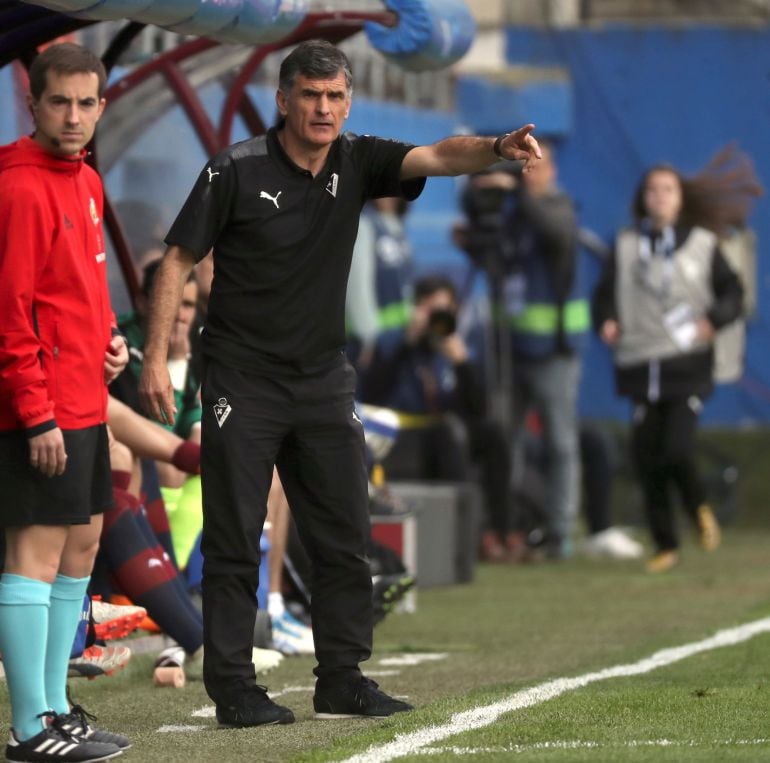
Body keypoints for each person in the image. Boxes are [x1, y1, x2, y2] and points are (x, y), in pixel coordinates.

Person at [138, 39, 541, 727]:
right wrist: (153, 357)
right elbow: (178, 260)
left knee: (344, 530)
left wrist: (499, 147)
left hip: (323, 378)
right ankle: (233, 685)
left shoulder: (357, 159)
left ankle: (343, 676)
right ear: (284, 100)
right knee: (238, 534)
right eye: (312, 96)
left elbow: (441, 156)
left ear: (347, 101)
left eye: (335, 97)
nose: (324, 109)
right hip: (244, 377)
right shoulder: (233, 169)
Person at [0, 43, 130, 761]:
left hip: (86, 399)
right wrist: (35, 411)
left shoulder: (86, 179)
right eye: (60, 102)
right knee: (34, 557)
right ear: (33, 103)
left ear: (101, 106)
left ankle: (53, 709)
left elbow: (80, 290)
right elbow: (10, 311)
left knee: (79, 550)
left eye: (86, 103)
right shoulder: (17, 185)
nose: (74, 116)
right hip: (40, 408)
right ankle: (26, 731)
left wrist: (111, 341)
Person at [592, 163, 744, 573]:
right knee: (646, 456)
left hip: (686, 365)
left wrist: (714, 319)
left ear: (680, 199)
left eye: (668, 189)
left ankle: (698, 508)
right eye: (652, 189)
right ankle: (666, 545)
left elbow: (733, 292)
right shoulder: (625, 245)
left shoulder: (702, 244)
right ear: (642, 197)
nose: (659, 196)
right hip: (641, 364)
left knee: (676, 447)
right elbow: (603, 296)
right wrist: (605, 319)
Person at [461, 142, 589, 559]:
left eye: (536, 165)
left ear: (551, 170)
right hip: (511, 350)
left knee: (560, 442)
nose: (528, 171)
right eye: (523, 165)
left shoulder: (558, 207)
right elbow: (496, 259)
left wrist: (515, 190)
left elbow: (554, 233)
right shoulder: (514, 216)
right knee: (506, 441)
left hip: (554, 349)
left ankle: (560, 533)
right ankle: (509, 524)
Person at [359, 275, 518, 562]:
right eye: (431, 311)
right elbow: (371, 389)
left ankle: (499, 532)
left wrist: (462, 363)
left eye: (444, 311)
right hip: (402, 437)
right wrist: (408, 341)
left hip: (443, 431)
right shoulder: (394, 340)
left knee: (490, 434)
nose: (437, 319)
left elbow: (477, 409)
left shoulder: (455, 345)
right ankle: (462, 541)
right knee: (449, 436)